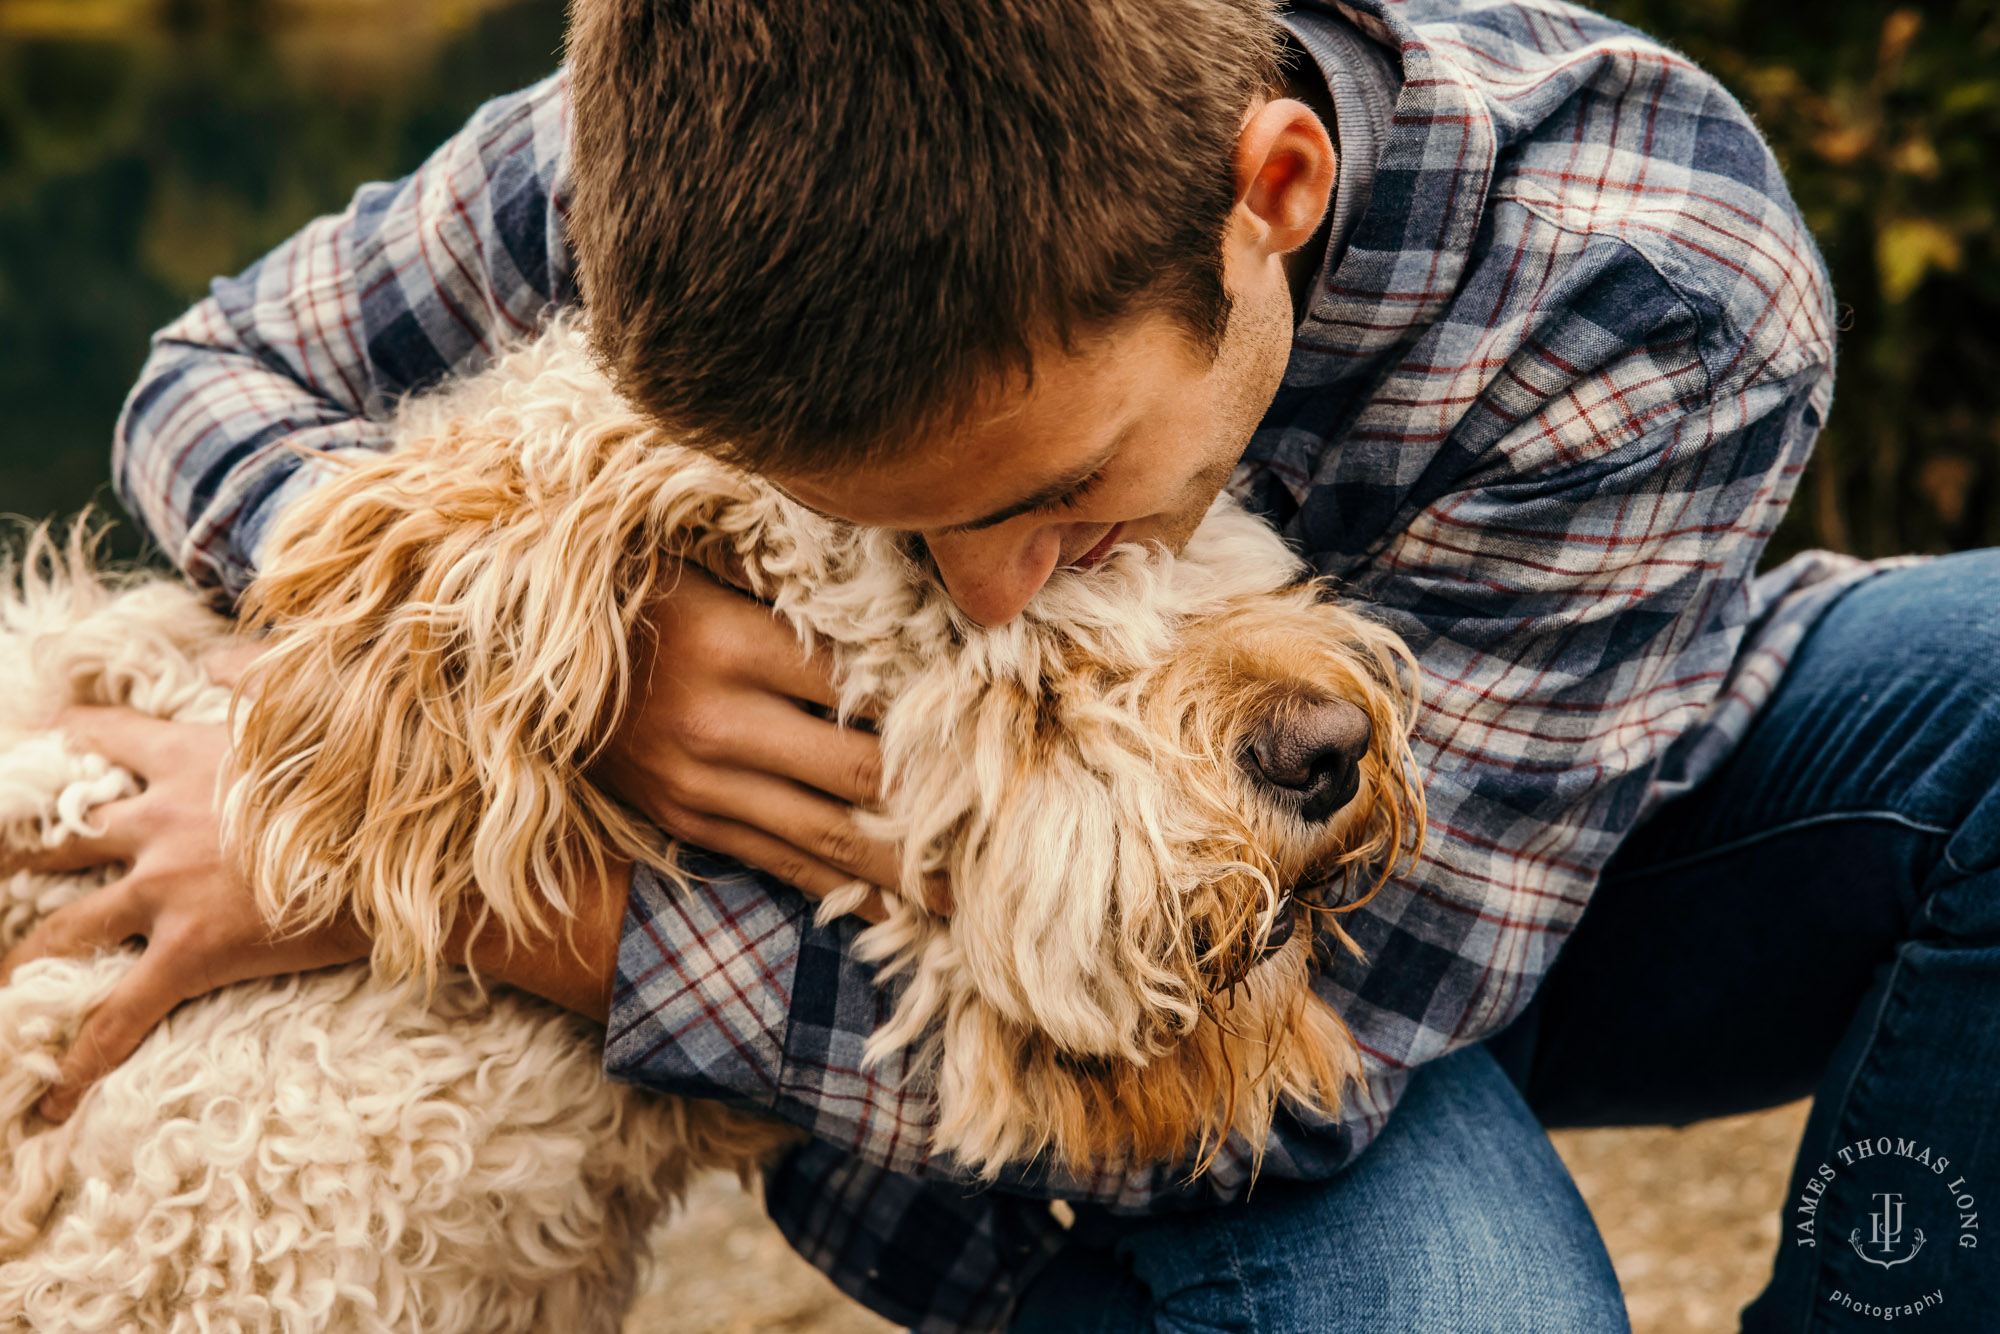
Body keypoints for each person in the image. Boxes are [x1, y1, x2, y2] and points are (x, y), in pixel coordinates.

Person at [2, 0, 1992, 1329]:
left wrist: (494, 898)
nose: (983, 583)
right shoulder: (738, 150)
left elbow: (1309, 1087)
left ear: (1269, 196)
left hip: (1457, 907)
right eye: (903, 528)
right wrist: (588, 673)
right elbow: (216, 383)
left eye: (1053, 490)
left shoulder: (1649, 270)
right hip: (1019, 1003)